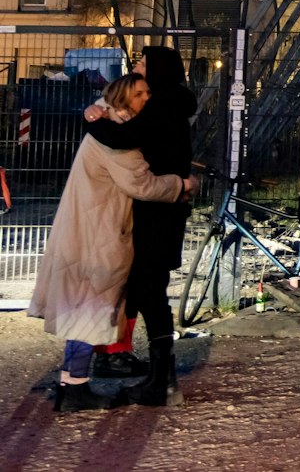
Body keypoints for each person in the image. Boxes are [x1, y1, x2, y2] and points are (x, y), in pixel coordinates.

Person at [30, 73, 196, 412]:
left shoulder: (109, 124)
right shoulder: (116, 138)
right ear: (123, 97)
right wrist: (182, 184)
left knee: (83, 306)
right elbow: (142, 185)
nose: (146, 99)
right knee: (87, 308)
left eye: (149, 92)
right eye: (140, 93)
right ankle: (74, 389)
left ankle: (71, 384)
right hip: (98, 231)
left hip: (88, 225)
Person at [77, 46, 196, 401]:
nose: (138, 68)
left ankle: (162, 381)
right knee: (148, 290)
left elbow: (123, 139)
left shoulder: (165, 105)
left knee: (149, 291)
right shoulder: (169, 102)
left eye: (143, 63)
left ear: (158, 69)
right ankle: (159, 376)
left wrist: (92, 119)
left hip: (158, 213)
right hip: (162, 210)